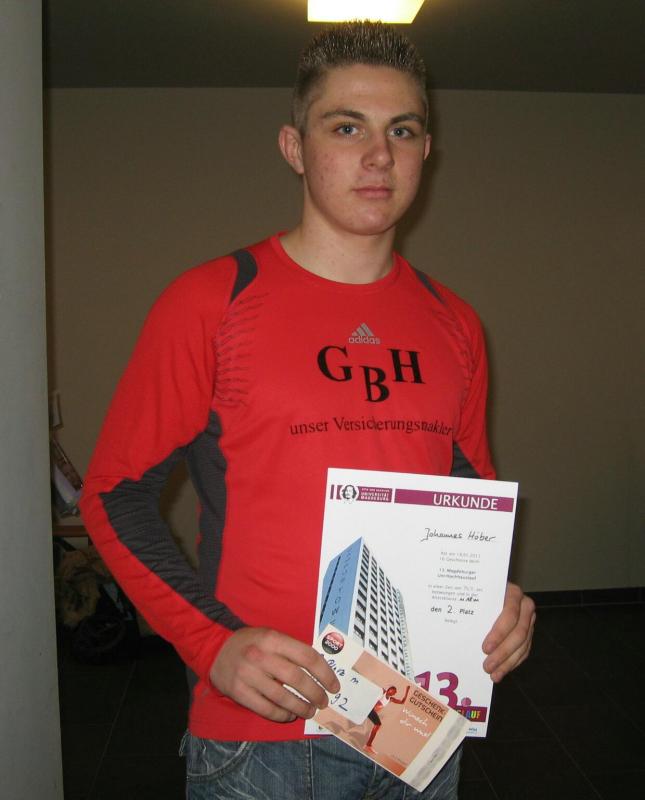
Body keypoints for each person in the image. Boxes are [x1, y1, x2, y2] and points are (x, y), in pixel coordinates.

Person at [80, 21, 535, 800]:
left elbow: (465, 493)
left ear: (426, 151)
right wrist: (211, 645)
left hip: (418, 729)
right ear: (294, 147)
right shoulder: (211, 301)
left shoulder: (456, 323)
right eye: (346, 127)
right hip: (264, 740)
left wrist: (495, 596)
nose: (378, 155)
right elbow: (114, 492)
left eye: (402, 130)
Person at [365, 685, 411, 753]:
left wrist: (407, 691)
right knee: (378, 725)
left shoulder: (390, 699)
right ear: (389, 689)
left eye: (395, 692)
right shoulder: (383, 691)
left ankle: (368, 745)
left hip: (372, 712)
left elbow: (402, 702)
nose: (394, 693)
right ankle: (368, 746)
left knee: (377, 725)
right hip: (369, 708)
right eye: (393, 691)